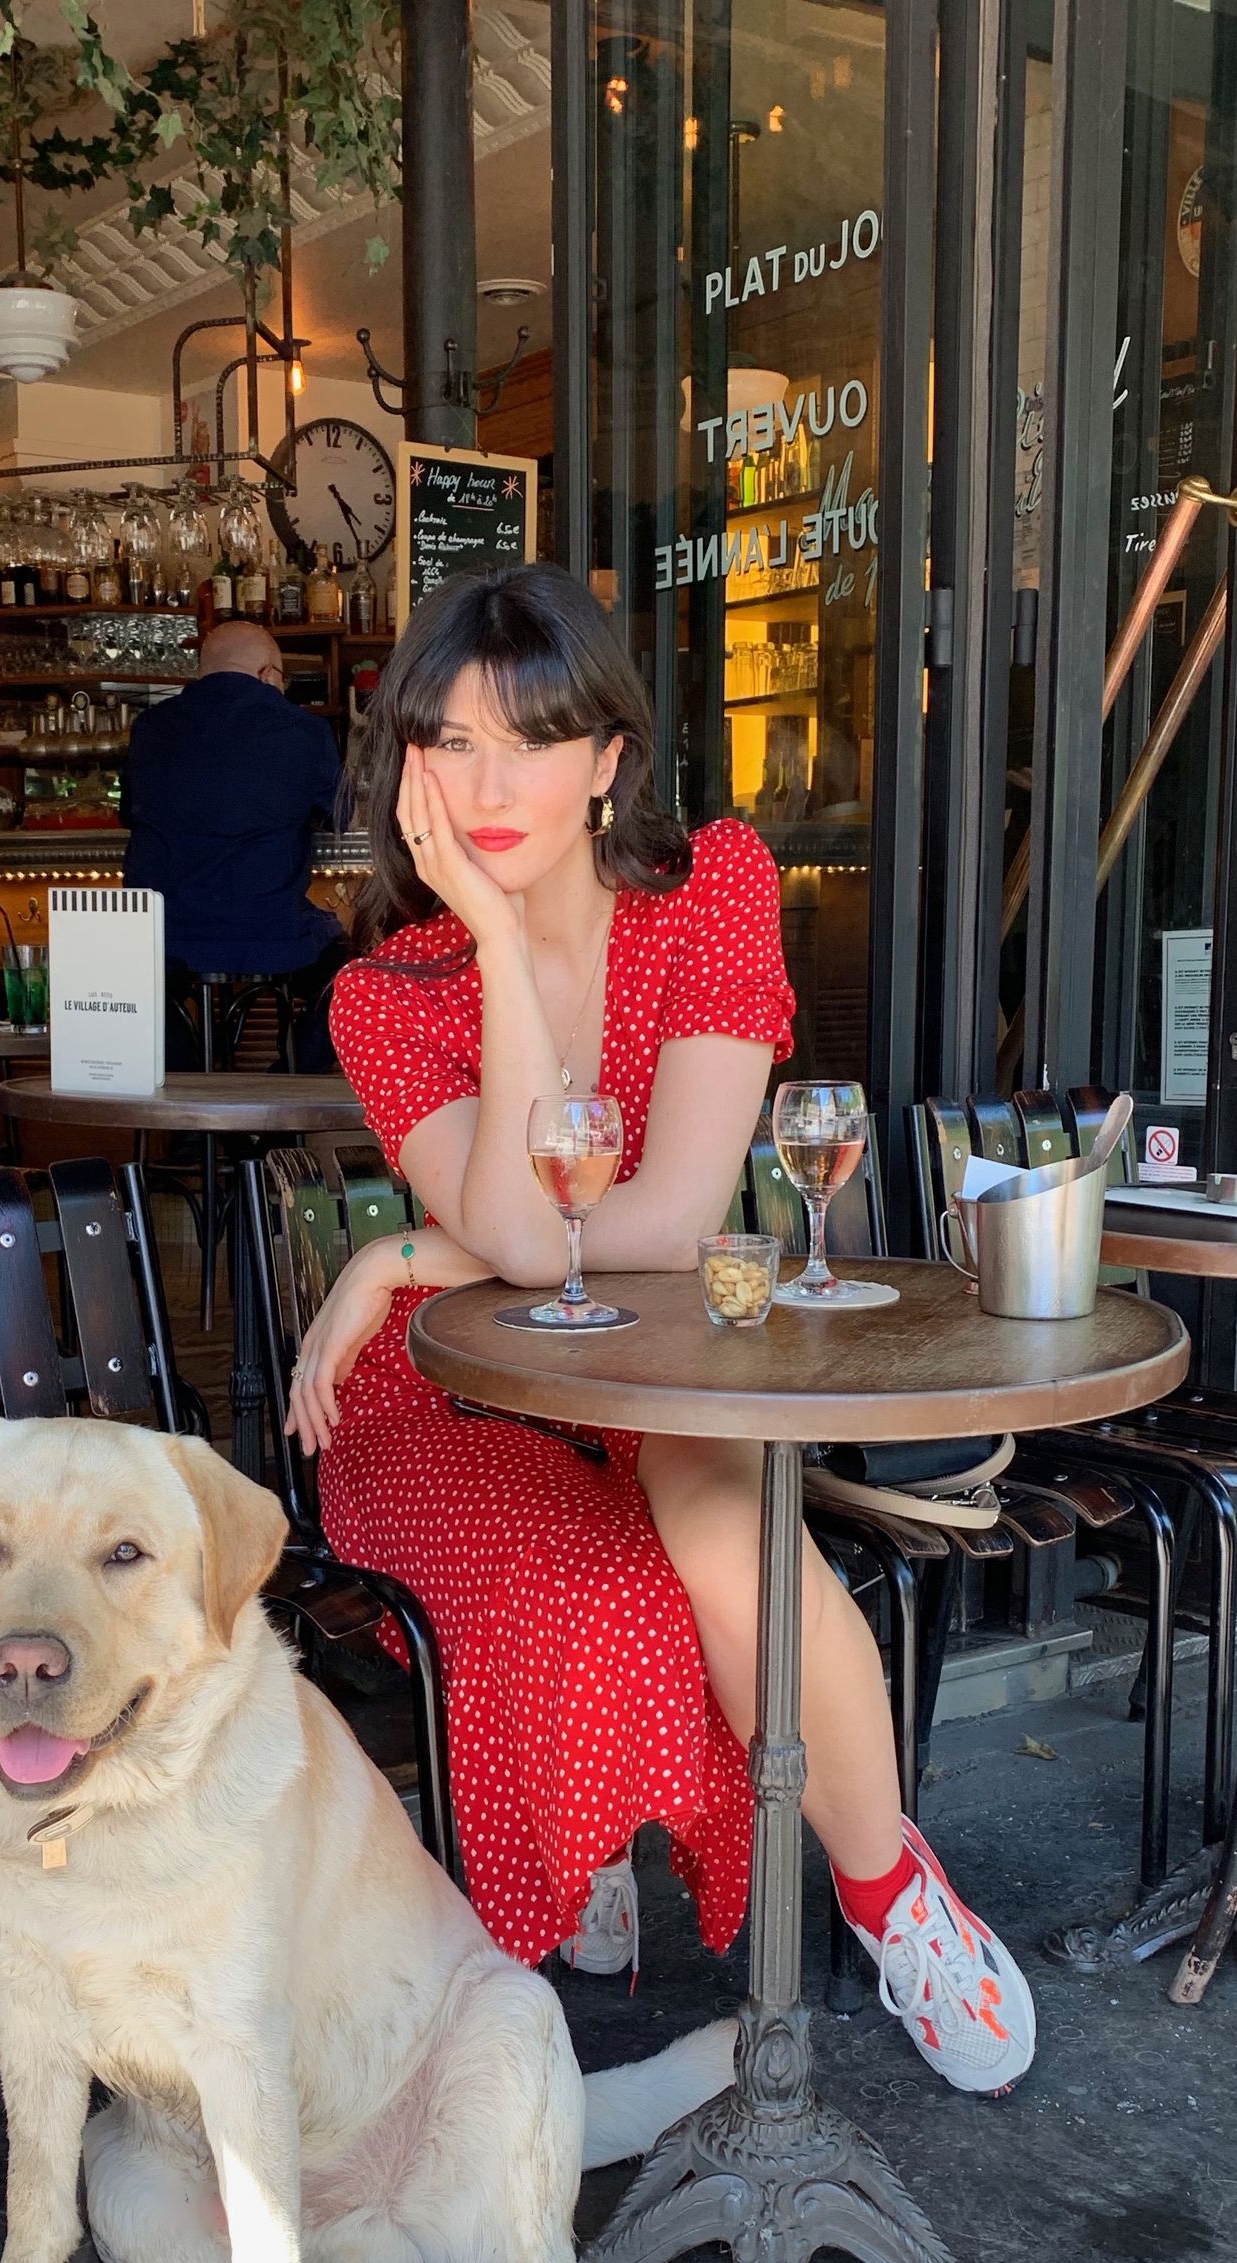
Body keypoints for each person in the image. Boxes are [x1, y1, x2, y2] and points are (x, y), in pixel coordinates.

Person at [282, 564, 1036, 2096]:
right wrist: (492, 942)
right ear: (403, 766)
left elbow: (674, 1220)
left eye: (531, 740)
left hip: (656, 1346)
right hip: (459, 1394)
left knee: (725, 1534)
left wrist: (411, 1249)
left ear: (610, 758)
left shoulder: (713, 889)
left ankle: (894, 1893)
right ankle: (589, 1825)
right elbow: (520, 1241)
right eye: (448, 741)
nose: (487, 785)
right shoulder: (387, 990)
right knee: (590, 1592)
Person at [122, 620, 345, 1068]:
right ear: (267, 674)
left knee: (139, 987)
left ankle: (187, 1101)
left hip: (160, 936)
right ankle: (285, 1086)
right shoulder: (304, 731)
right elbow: (343, 812)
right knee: (356, 976)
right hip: (270, 931)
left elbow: (129, 812)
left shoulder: (149, 729)